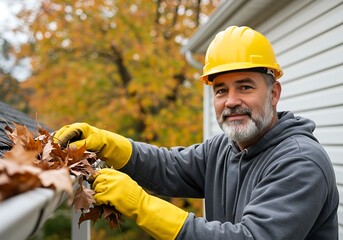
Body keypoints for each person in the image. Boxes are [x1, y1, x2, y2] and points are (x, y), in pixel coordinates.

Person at [54, 26, 339, 240]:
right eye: (221, 90)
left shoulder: (301, 162)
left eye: (245, 87)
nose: (231, 101)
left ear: (273, 93)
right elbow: (169, 167)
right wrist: (109, 143)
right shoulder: (225, 148)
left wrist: (141, 205)